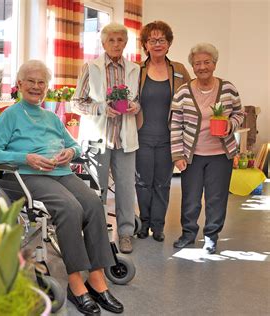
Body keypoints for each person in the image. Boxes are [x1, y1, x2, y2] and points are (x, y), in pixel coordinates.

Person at [0, 60, 124, 315]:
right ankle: (75, 283)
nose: (36, 87)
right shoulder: (10, 115)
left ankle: (96, 276)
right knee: (69, 208)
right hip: (27, 175)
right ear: (20, 85)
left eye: (41, 83)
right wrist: (26, 157)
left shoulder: (51, 116)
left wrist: (70, 152)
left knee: (93, 203)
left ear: (46, 87)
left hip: (60, 171)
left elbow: (76, 145)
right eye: (31, 82)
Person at [71, 22, 140, 254]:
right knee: (95, 190)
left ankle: (126, 233)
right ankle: (96, 233)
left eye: (120, 40)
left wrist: (134, 106)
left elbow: (138, 100)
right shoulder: (90, 67)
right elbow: (76, 103)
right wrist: (100, 108)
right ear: (103, 43)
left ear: (126, 43)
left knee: (126, 188)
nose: (116, 44)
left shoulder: (134, 69)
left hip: (125, 138)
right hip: (97, 139)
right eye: (111, 40)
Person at [170, 43, 244, 253]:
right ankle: (188, 234)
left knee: (216, 198)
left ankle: (211, 236)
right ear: (192, 66)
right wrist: (177, 154)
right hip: (192, 155)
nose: (202, 67)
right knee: (190, 198)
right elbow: (175, 124)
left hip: (221, 155)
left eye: (206, 62)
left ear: (214, 64)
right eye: (197, 63)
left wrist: (230, 125)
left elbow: (239, 113)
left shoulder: (228, 88)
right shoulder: (183, 92)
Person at [135, 21, 191, 242]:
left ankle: (158, 226)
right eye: (152, 40)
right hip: (142, 136)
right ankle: (144, 222)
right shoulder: (137, 70)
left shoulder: (178, 69)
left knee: (162, 183)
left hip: (170, 138)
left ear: (169, 44)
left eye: (162, 40)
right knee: (142, 182)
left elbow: (191, 97)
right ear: (145, 44)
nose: (157, 44)